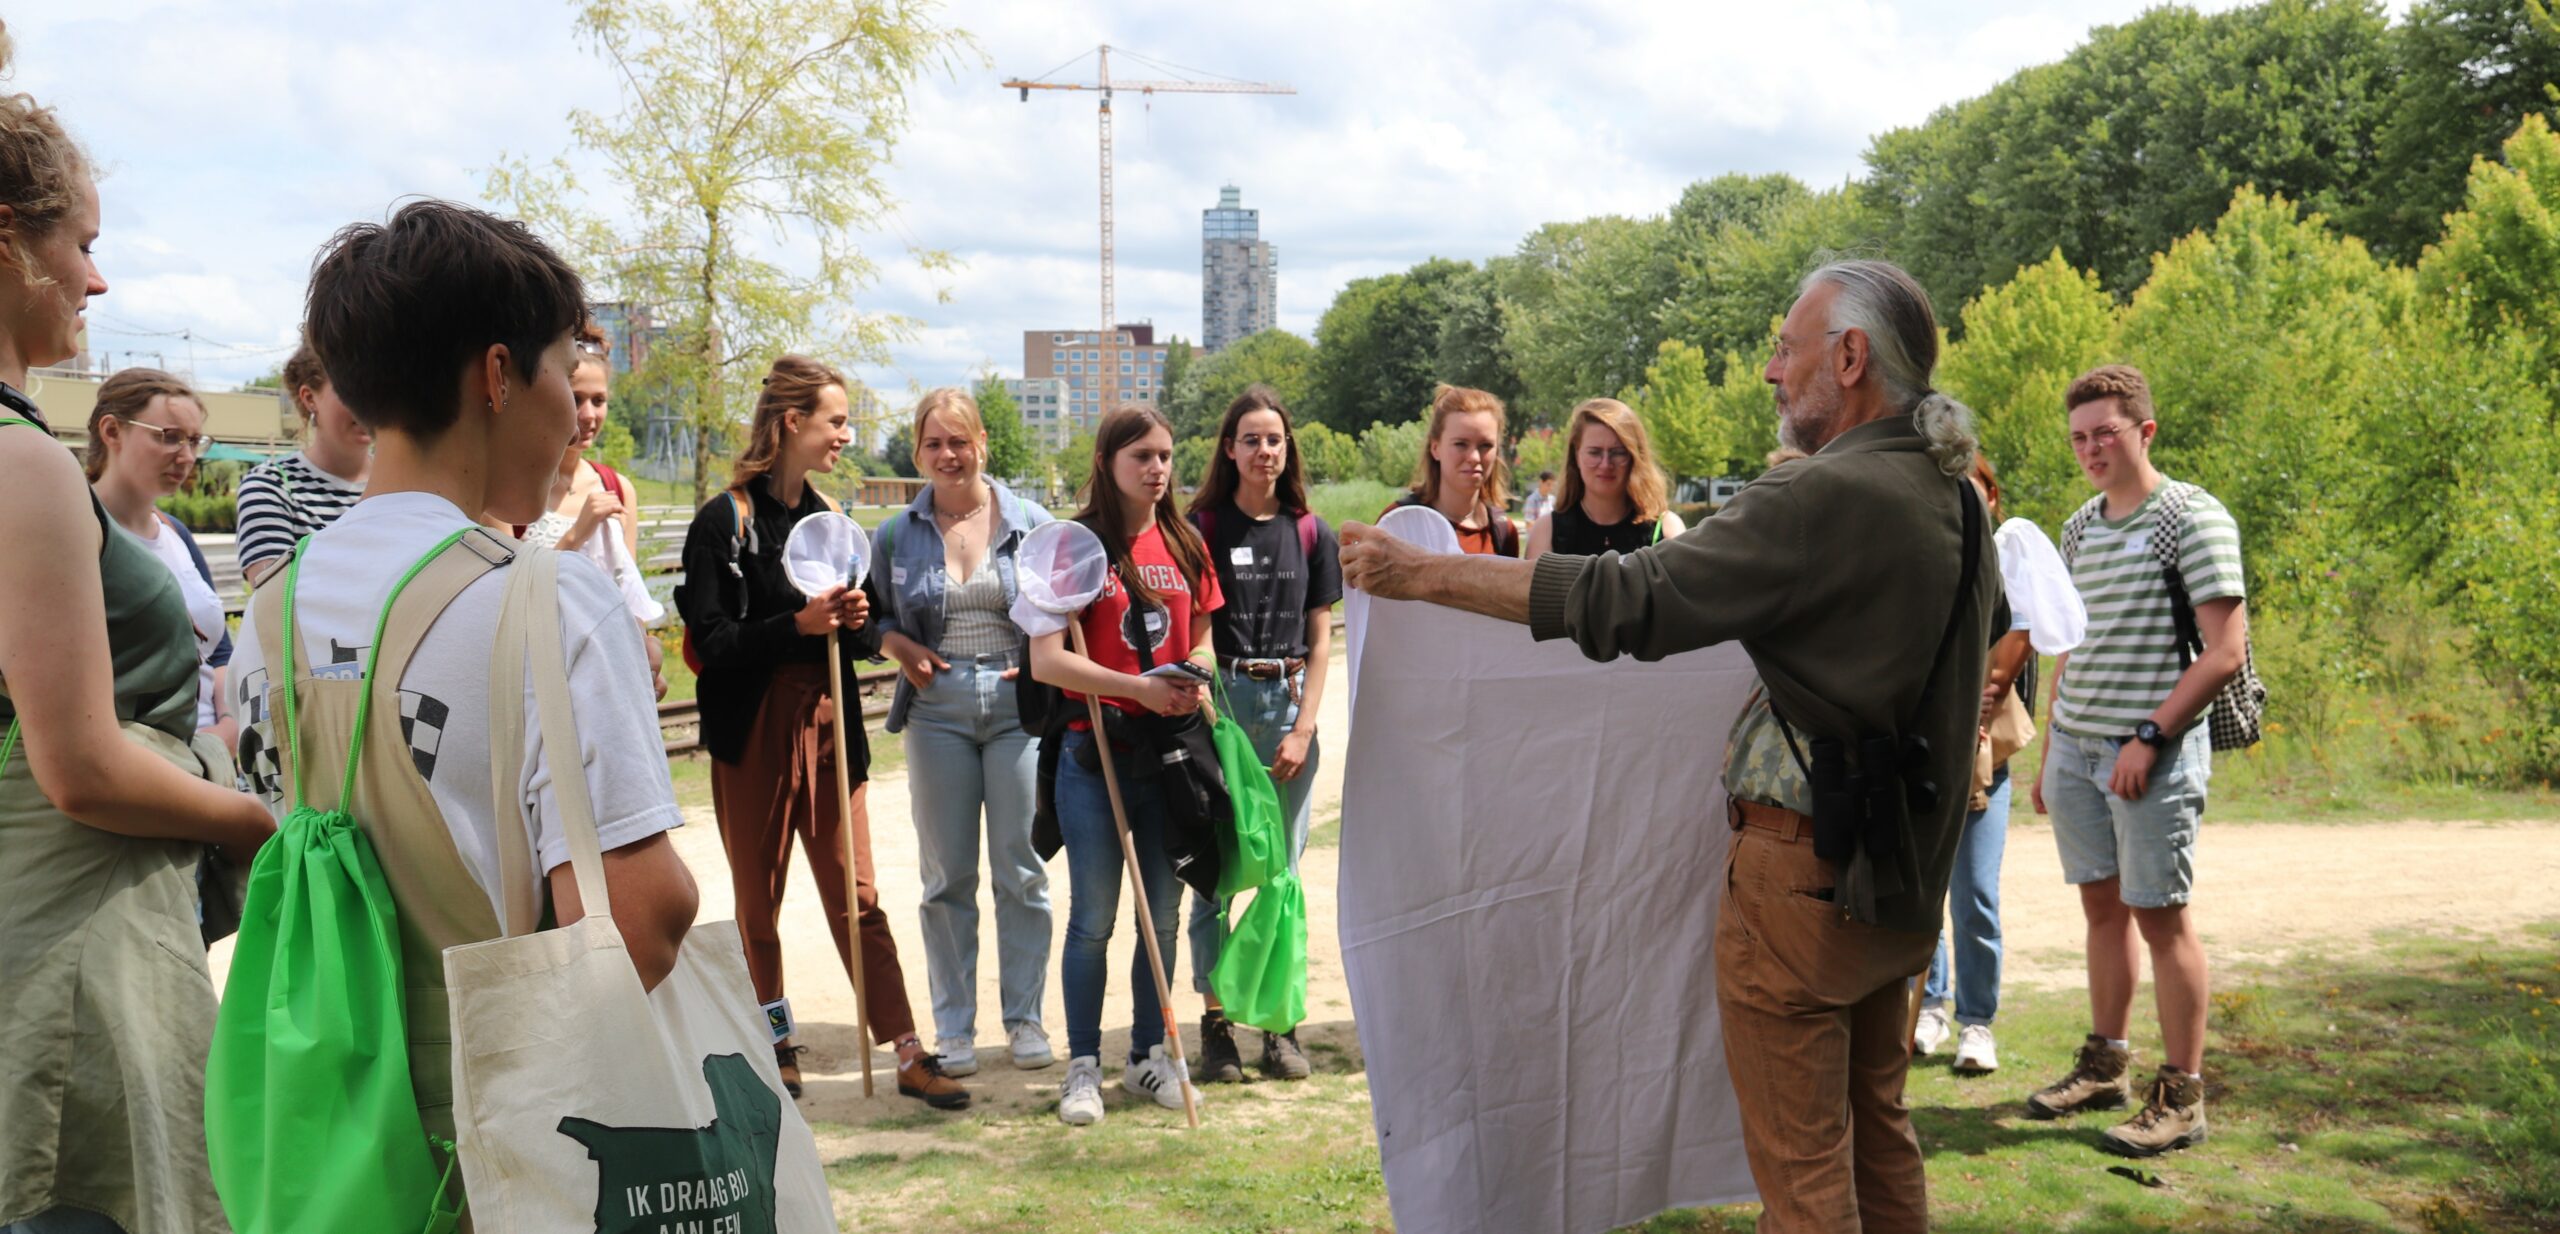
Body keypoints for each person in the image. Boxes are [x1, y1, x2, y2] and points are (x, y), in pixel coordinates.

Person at [1340, 260, 2000, 1233]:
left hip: (1807, 881)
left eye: (1786, 347)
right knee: (1876, 1137)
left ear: (1849, 356)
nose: (1772, 373)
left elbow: (1628, 600)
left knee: (1807, 1180)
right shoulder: (1956, 499)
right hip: (1897, 883)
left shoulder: (1825, 497)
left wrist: (1422, 575)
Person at [225, 202, 700, 1210]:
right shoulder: (545, 599)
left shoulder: (266, 615)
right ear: (494, 375)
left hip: (323, 1159)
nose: (576, 415)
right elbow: (636, 924)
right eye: (561, 375)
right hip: (500, 1160)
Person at [0, 79, 273, 1234]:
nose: (97, 282)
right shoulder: (21, 466)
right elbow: (82, 768)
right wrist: (252, 818)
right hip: (74, 952)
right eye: (82, 245)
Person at [676, 354, 967, 1110]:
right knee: (757, 899)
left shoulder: (835, 522)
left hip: (834, 727)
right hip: (755, 728)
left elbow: (861, 631)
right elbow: (709, 643)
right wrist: (795, 624)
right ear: (792, 422)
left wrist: (863, 624)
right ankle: (773, 1040)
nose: (847, 433)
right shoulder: (724, 522)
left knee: (857, 893)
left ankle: (906, 1048)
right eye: (837, 421)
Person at [2025, 363, 2248, 1158]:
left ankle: (2182, 1097)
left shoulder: (2191, 517)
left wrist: (2147, 739)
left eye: (2105, 434)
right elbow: (2068, 644)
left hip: (2148, 753)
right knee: (2101, 912)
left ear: (2144, 431)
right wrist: (2052, 743)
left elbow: (2224, 652)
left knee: (2161, 918)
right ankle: (2104, 1067)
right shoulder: (2081, 525)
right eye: (2079, 437)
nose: (2090, 449)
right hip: (2078, 750)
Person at [1026, 404, 1221, 1126]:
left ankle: (1148, 1056)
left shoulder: (1185, 540)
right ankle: (1083, 1066)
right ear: (1109, 462)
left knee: (1162, 914)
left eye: (1166, 455)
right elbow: (1047, 660)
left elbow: (1203, 636)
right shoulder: (1071, 547)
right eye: (1142, 456)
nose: (1158, 468)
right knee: (1096, 918)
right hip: (1093, 751)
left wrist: (1188, 677)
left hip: (1167, 756)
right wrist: (1137, 687)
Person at [870, 387, 1057, 1078]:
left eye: (959, 441)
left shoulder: (1031, 521)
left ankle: (1026, 1018)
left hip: (1016, 707)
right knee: (946, 875)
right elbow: (863, 618)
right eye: (933, 444)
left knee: (1021, 868)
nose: (948, 456)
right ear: (918, 452)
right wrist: (896, 644)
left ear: (982, 443)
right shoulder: (894, 535)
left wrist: (1039, 662)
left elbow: (1067, 600)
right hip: (936, 708)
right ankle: (954, 1029)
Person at [1184, 384, 1340, 1083]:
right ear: (1229, 447)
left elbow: (1321, 636)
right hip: (1221, 708)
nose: (1263, 450)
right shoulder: (1203, 527)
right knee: (1214, 876)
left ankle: (1280, 1023)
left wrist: (1304, 727)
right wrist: (1210, 717)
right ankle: (1216, 1024)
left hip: (1285, 707)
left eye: (1274, 439)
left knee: (1281, 875)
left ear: (1287, 448)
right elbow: (1196, 623)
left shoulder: (1311, 530)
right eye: (1250, 438)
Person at [1911, 455, 2070, 1076]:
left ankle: (1978, 1022)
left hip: (1983, 755)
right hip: (1924, 752)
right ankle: (1931, 1006)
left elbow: (2016, 645)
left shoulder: (2011, 556)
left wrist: (1985, 694)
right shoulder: (1925, 559)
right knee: (1925, 892)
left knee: (1973, 892)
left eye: (1973, 493)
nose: (1964, 505)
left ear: (1992, 496)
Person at [82, 368, 237, 753]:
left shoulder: (175, 532)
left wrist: (230, 725)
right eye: (169, 437)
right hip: (138, 764)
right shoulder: (78, 533)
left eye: (194, 440)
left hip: (211, 757)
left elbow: (218, 652)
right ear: (112, 431)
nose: (186, 456)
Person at [515, 322, 666, 698]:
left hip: (604, 671)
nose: (588, 415)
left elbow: (626, 593)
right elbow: (509, 600)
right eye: (577, 397)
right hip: (538, 672)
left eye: (598, 400)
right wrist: (576, 534)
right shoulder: (511, 487)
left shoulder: (617, 488)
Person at [234, 341, 369, 587]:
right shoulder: (270, 486)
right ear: (309, 398)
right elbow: (276, 600)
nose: (368, 401)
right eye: (351, 387)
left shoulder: (412, 481)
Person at [1523, 397, 1687, 560]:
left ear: (1635, 457)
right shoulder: (1547, 532)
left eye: (1618, 452)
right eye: (1594, 453)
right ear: (1576, 456)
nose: (1606, 464)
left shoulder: (1666, 530)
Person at [1381, 384, 1518, 556]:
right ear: (1435, 448)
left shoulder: (1504, 533)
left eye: (1486, 445)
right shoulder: (1399, 522)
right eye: (1461, 444)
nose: (1474, 457)